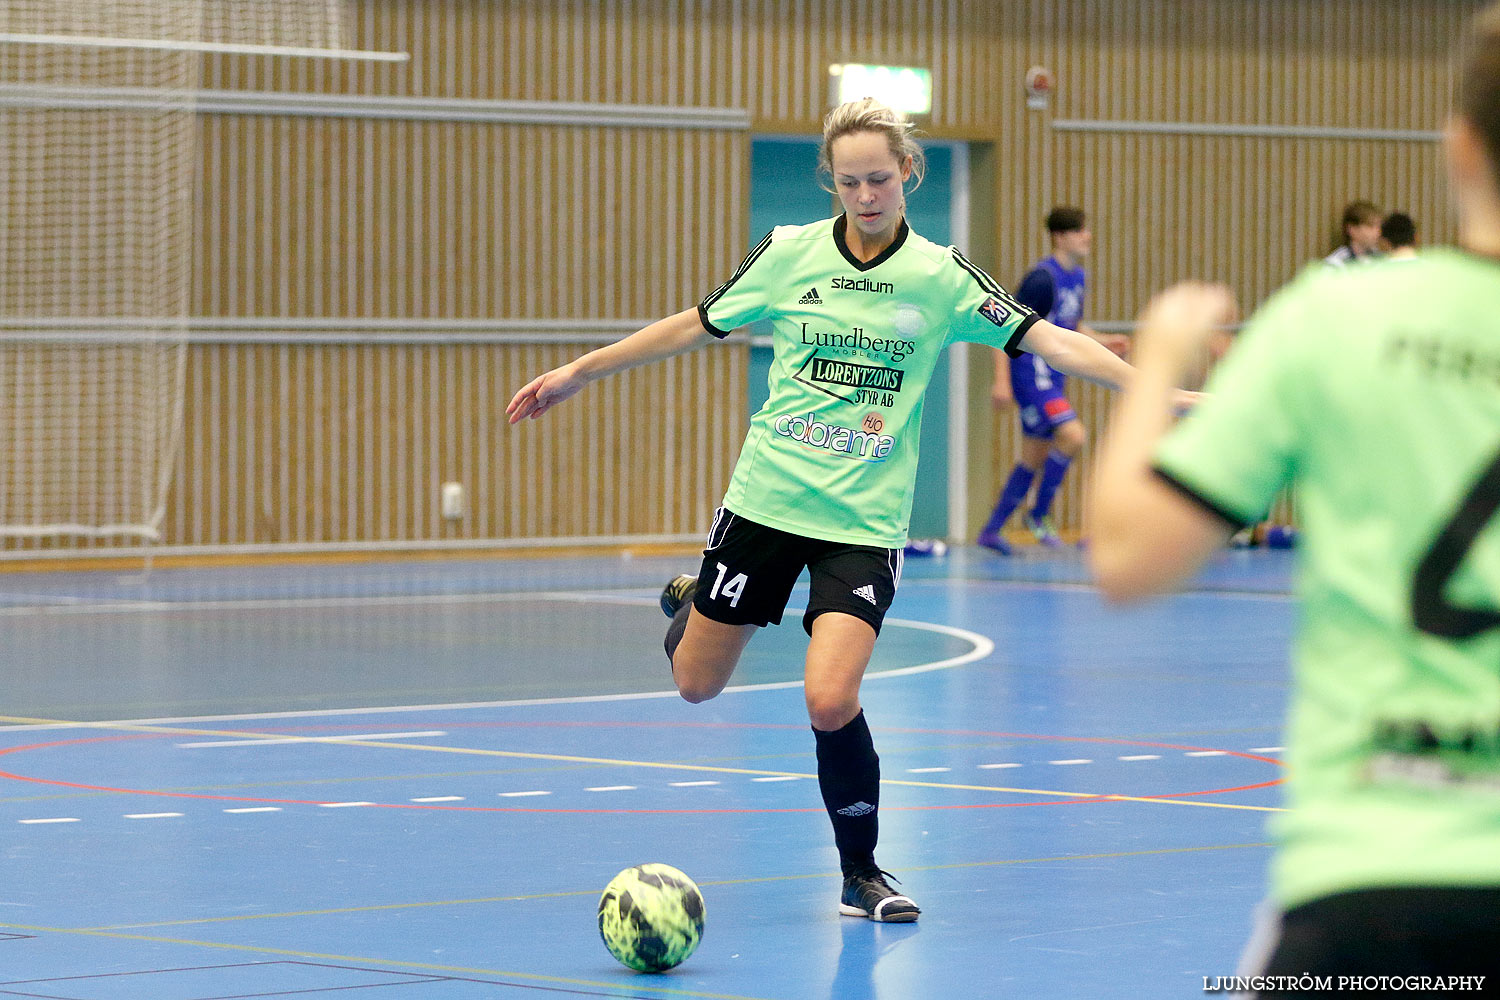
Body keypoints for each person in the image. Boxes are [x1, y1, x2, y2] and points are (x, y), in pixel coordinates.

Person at [509, 98, 1173, 923]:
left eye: (880, 179)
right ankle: (692, 600)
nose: (865, 194)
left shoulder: (939, 276)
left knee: (830, 699)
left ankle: (862, 874)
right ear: (833, 181)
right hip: (766, 503)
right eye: (850, 180)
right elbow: (693, 325)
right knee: (695, 686)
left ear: (908, 176)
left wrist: (1160, 390)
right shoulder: (789, 255)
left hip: (862, 524)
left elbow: (1050, 341)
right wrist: (582, 370)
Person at [1086, 4, 1500, 985]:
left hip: (1376, 872)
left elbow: (1126, 552)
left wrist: (1159, 365)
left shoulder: (1341, 317)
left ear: (1457, 144)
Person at [977, 207, 1129, 554]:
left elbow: (1067, 327)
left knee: (1034, 454)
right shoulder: (1041, 279)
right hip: (1031, 375)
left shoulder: (1077, 278)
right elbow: (1005, 327)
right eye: (1079, 230)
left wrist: (1106, 342)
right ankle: (1039, 515)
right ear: (1060, 237)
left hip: (1053, 377)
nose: (1087, 236)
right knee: (1073, 435)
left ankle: (991, 529)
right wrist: (1001, 381)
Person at [1321, 199, 1384, 267]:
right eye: (1370, 226)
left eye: (1379, 226)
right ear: (1352, 229)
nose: (1378, 232)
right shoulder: (1335, 263)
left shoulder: (1382, 260)